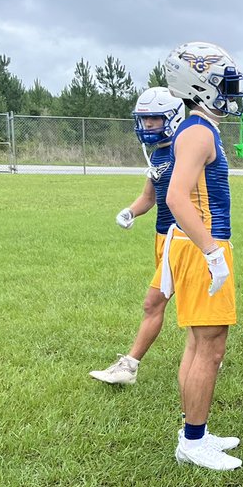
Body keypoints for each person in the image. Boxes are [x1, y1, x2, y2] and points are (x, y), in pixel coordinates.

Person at [160, 41, 243, 470]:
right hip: (201, 246)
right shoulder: (197, 131)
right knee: (210, 347)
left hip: (195, 246)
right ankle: (192, 442)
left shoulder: (198, 128)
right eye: (224, 84)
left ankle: (194, 430)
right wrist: (212, 251)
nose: (230, 92)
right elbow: (177, 197)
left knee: (198, 343)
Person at [90, 87, 186, 385]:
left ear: (172, 117)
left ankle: (129, 366)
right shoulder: (159, 153)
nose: (147, 126)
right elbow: (149, 196)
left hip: (185, 239)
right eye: (144, 120)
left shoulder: (186, 147)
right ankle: (209, 353)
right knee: (186, 303)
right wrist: (130, 211)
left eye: (154, 119)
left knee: (153, 302)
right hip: (164, 238)